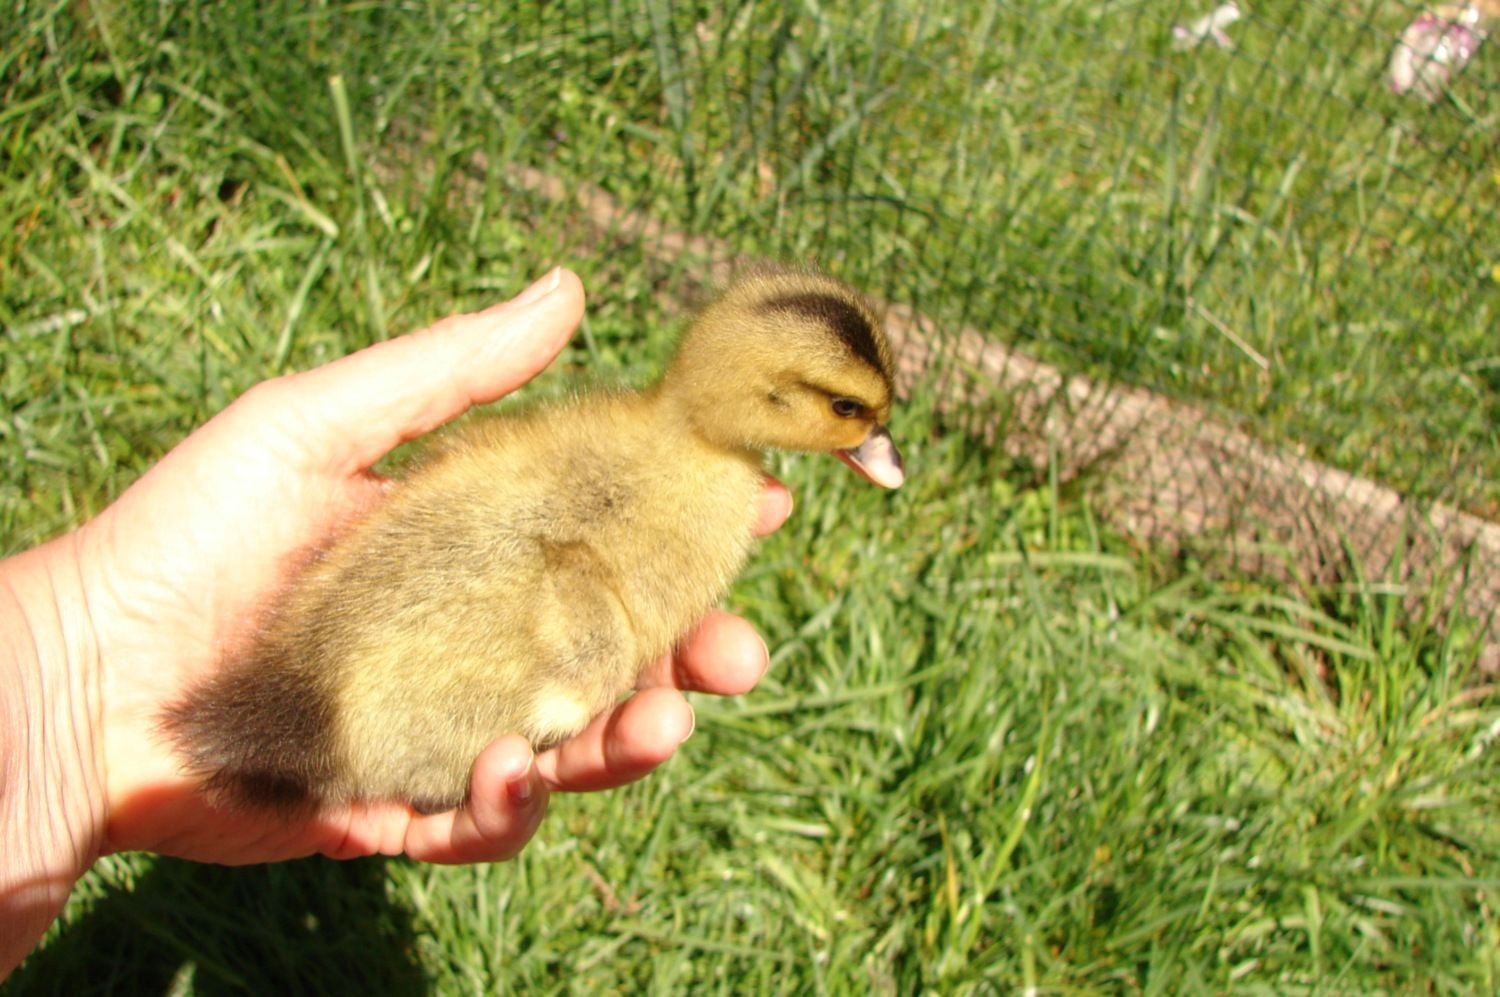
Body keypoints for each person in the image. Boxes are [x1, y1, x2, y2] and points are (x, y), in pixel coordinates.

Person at [0, 268, 793, 977]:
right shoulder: (684, 491)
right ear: (773, 397)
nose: (855, 437)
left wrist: (63, 709)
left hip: (289, 694)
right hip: (343, 699)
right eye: (844, 410)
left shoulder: (648, 463)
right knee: (569, 672)